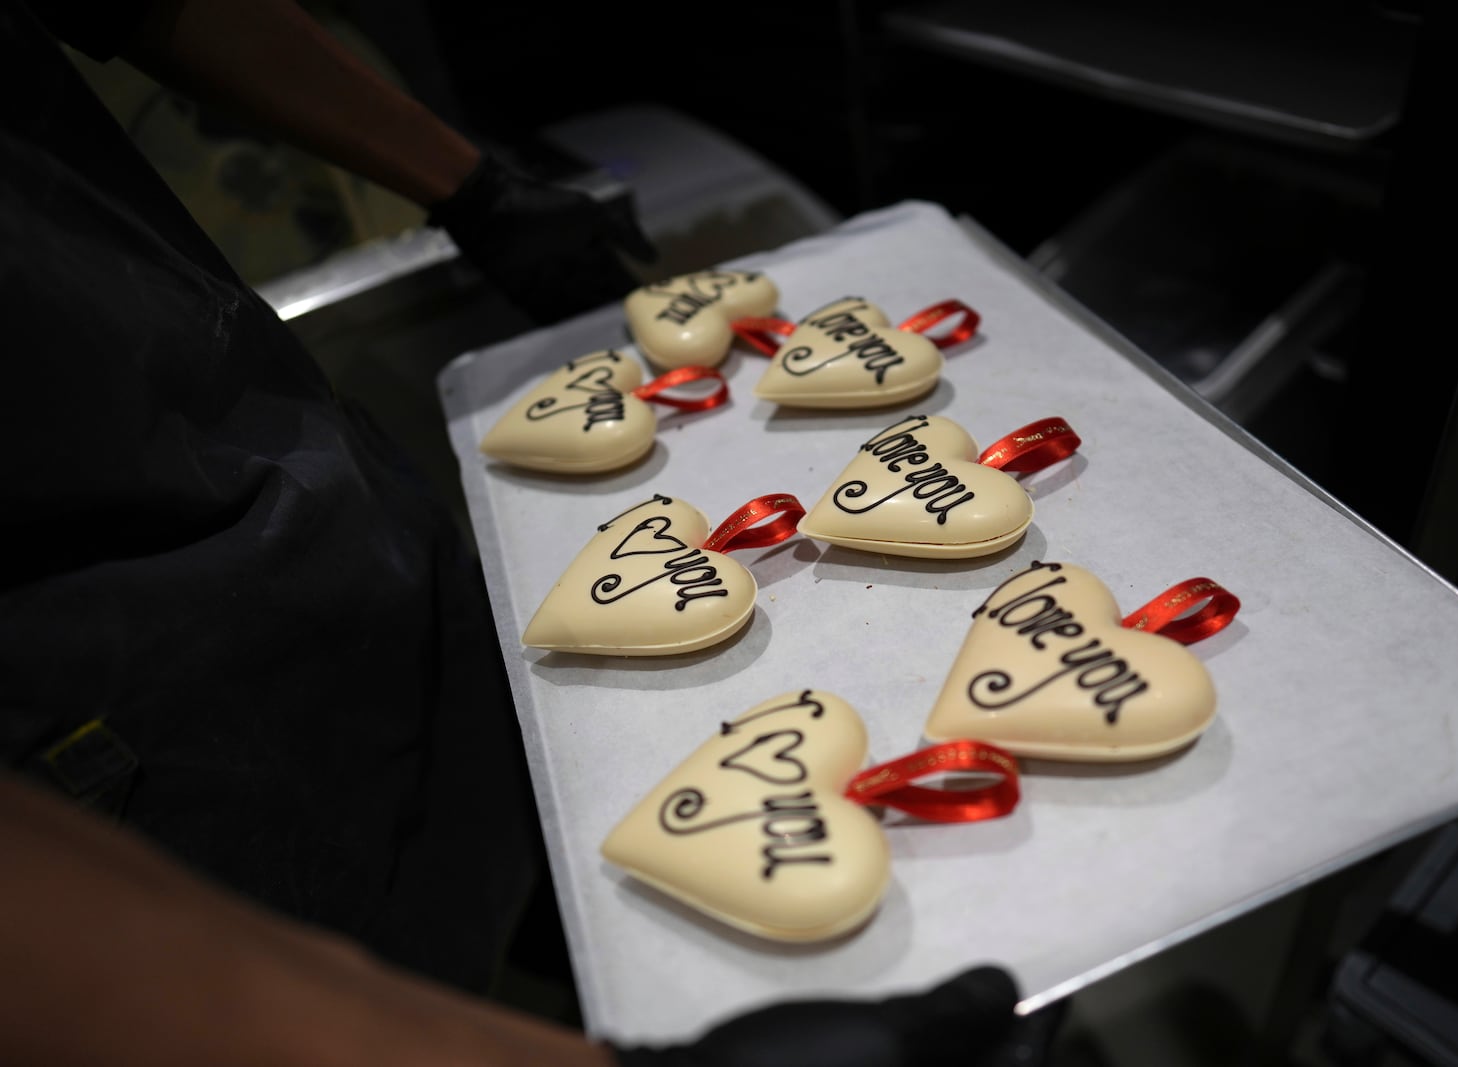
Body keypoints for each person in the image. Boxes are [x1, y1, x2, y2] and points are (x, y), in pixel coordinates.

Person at [0, 1, 1061, 1062]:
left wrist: (467, 182)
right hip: (101, 696)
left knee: (502, 823)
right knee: (340, 925)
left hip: (304, 481)